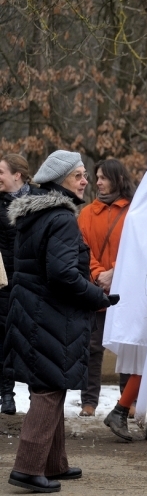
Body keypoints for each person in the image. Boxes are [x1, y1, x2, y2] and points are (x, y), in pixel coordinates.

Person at [5, 150, 114, 493]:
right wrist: (97, 297)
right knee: (49, 389)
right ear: (59, 180)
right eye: (79, 175)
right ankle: (27, 467)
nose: (86, 181)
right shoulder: (62, 218)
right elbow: (63, 275)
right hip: (51, 315)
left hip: (31, 310)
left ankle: (53, 463)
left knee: (50, 381)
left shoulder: (33, 214)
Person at [76, 159, 136, 417]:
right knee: (92, 347)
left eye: (102, 177)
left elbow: (137, 249)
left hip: (126, 290)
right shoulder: (87, 213)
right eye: (96, 177)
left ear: (117, 179)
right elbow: (82, 248)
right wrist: (101, 274)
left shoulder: (135, 211)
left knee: (127, 345)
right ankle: (89, 402)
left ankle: (127, 402)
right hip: (95, 289)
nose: (97, 182)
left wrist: (116, 275)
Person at [0, 154, 40, 415]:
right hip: (4, 283)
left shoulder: (39, 201)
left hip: (33, 282)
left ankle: (39, 399)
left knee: (33, 339)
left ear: (17, 175)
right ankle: (6, 395)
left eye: (1, 172)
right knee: (4, 337)